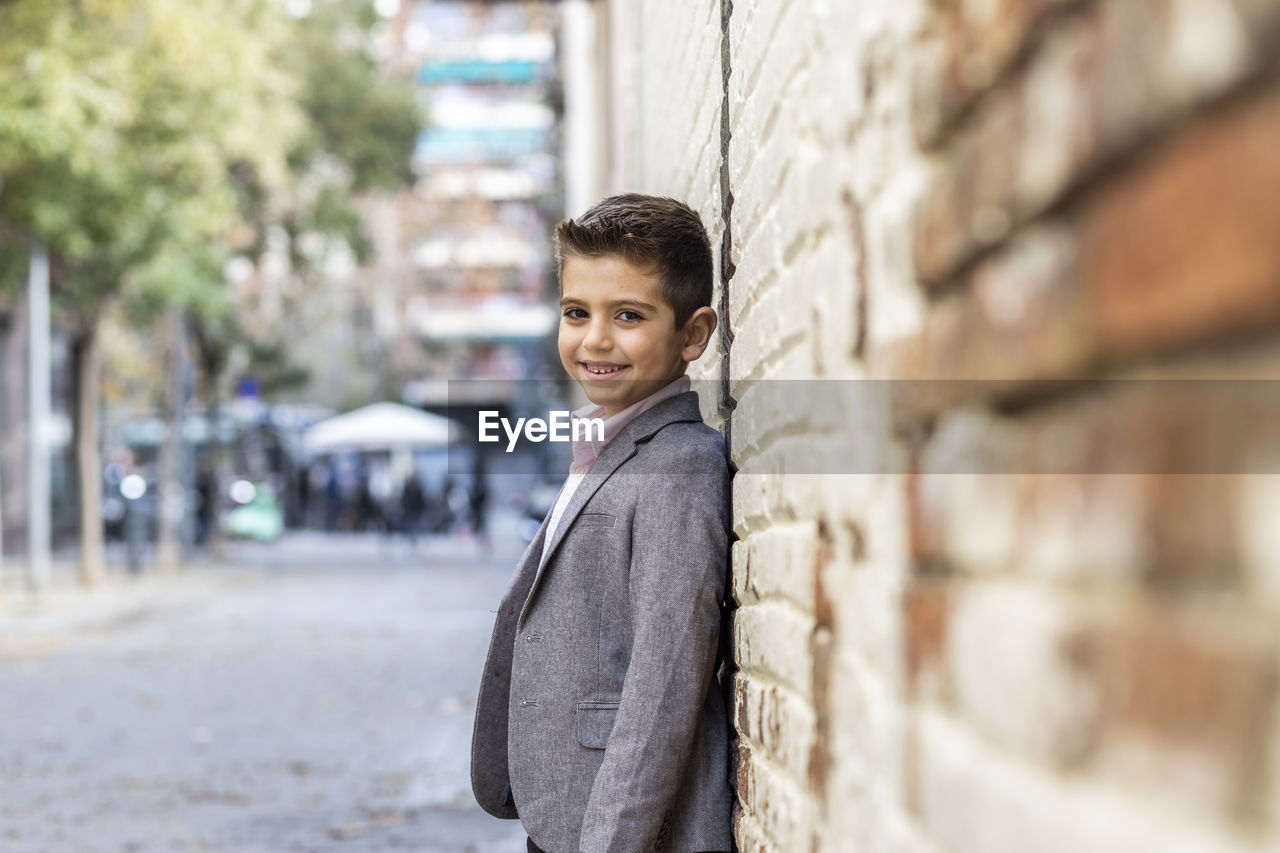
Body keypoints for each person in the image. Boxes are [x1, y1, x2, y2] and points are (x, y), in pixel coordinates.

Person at [471, 195, 732, 853]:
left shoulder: (681, 466)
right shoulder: (600, 444)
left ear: (694, 334)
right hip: (568, 813)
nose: (595, 339)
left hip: (626, 834)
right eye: (576, 312)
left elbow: (662, 689)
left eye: (629, 315)